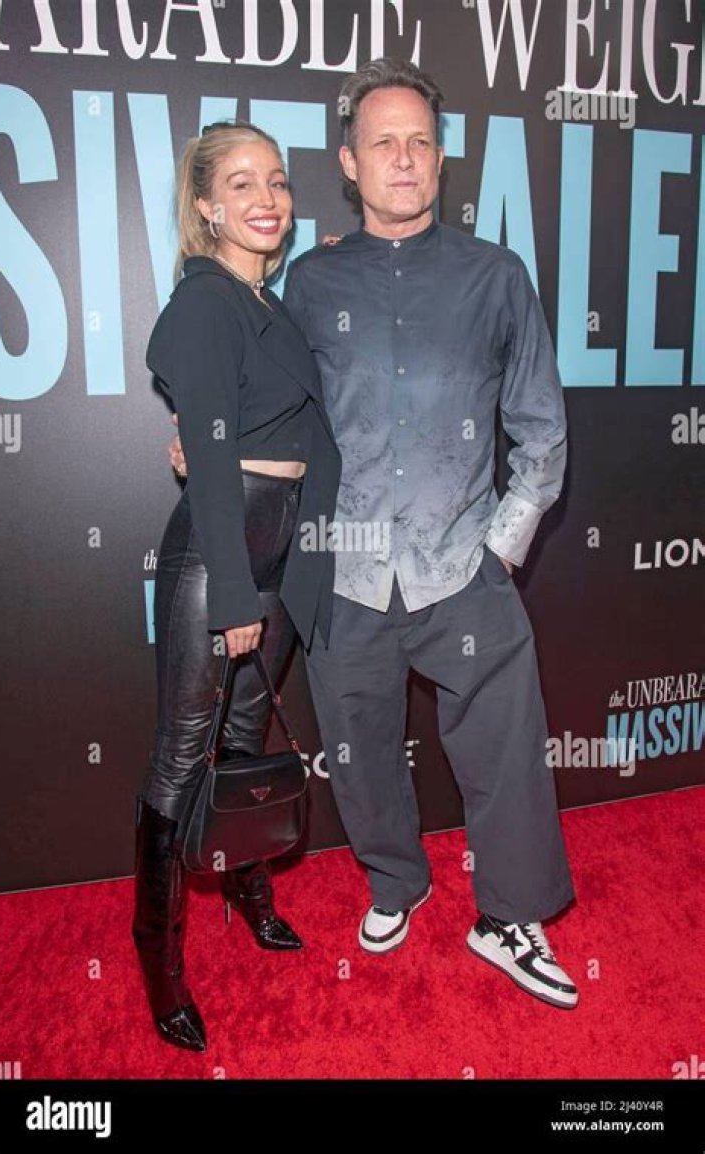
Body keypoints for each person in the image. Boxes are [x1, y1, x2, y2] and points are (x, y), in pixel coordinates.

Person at [171, 58, 579, 1010]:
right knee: (358, 749)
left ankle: (509, 915)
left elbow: (542, 429)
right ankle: (397, 881)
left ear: (441, 160)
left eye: (420, 142)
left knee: (506, 750)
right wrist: (205, 435)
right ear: (350, 164)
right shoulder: (309, 282)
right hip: (345, 568)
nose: (404, 158)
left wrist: (501, 547)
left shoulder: (496, 277)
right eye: (383, 143)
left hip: (462, 561)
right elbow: (265, 397)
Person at [133, 121, 341, 1053]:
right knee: (183, 752)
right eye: (243, 183)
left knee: (248, 735)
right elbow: (213, 461)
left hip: (285, 543)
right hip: (224, 547)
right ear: (207, 205)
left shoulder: (269, 303)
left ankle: (250, 889)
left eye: (279, 182)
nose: (267, 199)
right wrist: (232, 593)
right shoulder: (206, 303)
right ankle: (159, 957)